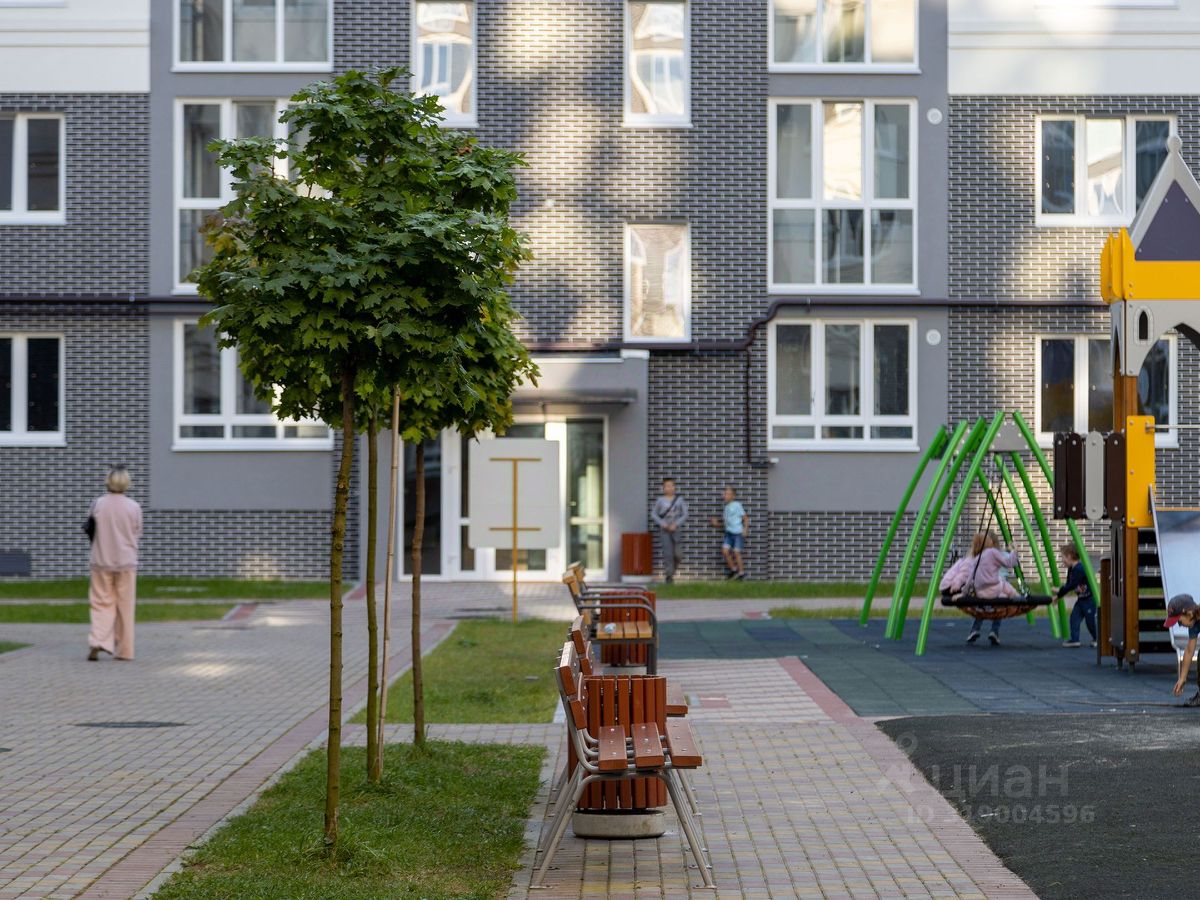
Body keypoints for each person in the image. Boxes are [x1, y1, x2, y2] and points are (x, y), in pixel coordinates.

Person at [87, 465, 142, 661]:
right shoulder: (134, 507)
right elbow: (137, 532)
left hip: (101, 560)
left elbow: (90, 528)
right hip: (126, 562)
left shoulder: (98, 504)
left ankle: (99, 640)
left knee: (101, 603)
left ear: (108, 481)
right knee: (126, 606)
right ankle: (125, 650)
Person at [965, 529, 1018, 646]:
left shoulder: (979, 557)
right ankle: (994, 631)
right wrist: (1014, 550)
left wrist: (965, 592)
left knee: (981, 609)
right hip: (998, 588)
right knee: (998, 609)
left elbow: (970, 574)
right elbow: (1012, 562)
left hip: (982, 591)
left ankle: (974, 630)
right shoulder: (999, 554)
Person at [1057, 543, 1096, 648]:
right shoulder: (1071, 569)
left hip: (1089, 599)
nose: (1062, 560)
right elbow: (1068, 584)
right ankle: (1075, 640)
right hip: (1081, 599)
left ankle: (1097, 638)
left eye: (1063, 557)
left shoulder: (1079, 569)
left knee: (1090, 621)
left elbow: (1071, 585)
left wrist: (1059, 593)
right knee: (1074, 618)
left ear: (1069, 556)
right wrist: (1059, 592)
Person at [650, 477, 689, 583]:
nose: (669, 488)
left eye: (671, 486)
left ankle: (671, 572)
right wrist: (662, 524)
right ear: (663, 488)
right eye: (667, 486)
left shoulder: (680, 500)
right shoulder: (660, 500)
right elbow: (654, 514)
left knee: (678, 555)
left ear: (674, 487)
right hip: (665, 531)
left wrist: (676, 524)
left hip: (676, 530)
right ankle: (669, 576)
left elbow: (685, 514)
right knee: (668, 554)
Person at [1165, 594, 1200, 706]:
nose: (1180, 625)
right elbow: (1189, 650)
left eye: (1179, 621)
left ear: (1189, 613)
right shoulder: (1194, 622)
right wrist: (1182, 678)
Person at [719, 486, 747, 580]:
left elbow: (745, 518)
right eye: (725, 494)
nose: (725, 495)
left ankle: (742, 574)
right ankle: (734, 571)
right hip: (729, 533)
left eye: (728, 494)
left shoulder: (737, 505)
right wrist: (716, 523)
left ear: (733, 496)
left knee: (736, 552)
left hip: (738, 533)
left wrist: (745, 529)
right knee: (725, 551)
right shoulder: (726, 507)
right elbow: (726, 523)